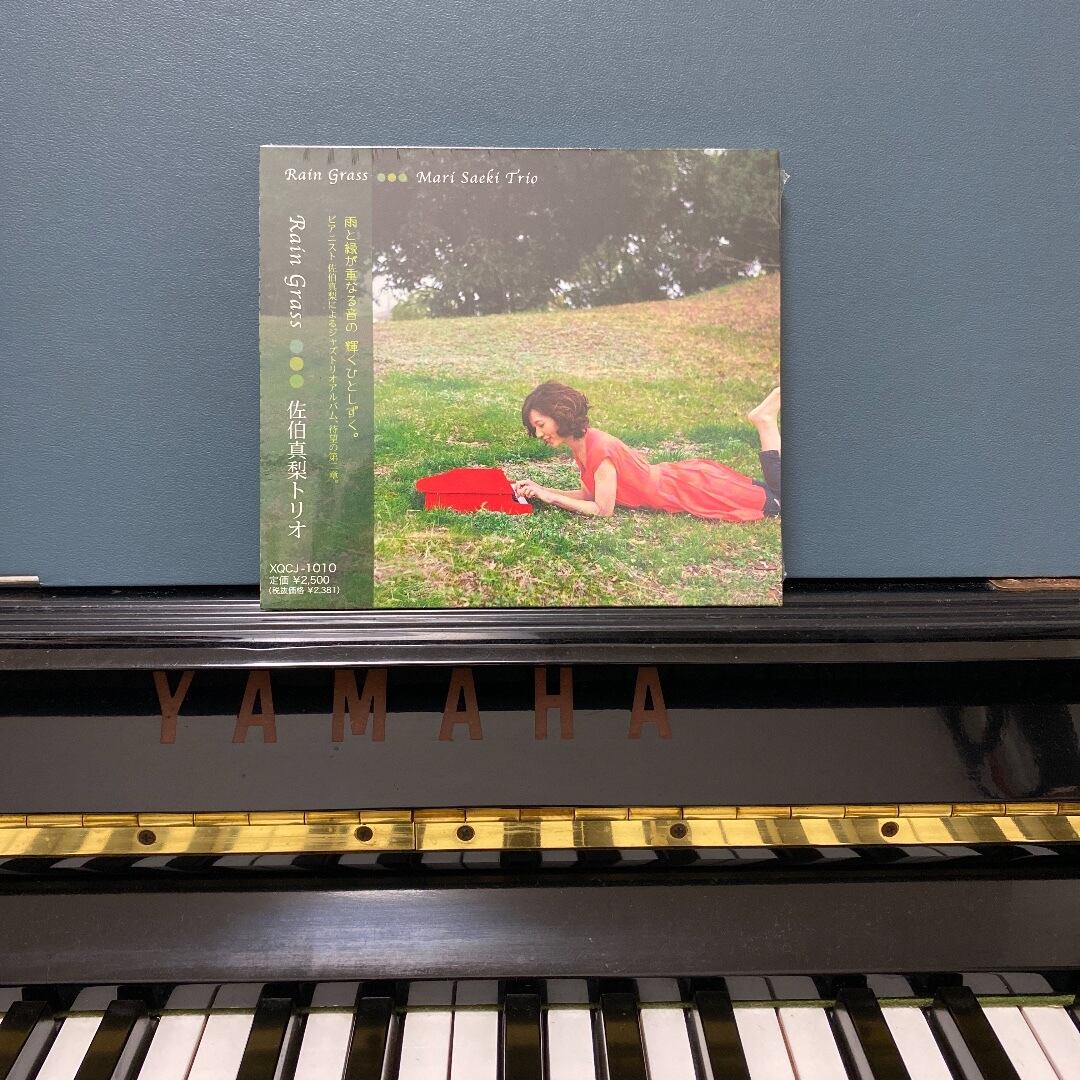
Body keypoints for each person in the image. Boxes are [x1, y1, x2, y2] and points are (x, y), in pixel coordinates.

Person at [512, 381, 781, 521]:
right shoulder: (582, 445)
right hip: (681, 481)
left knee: (782, 501)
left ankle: (765, 421)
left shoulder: (599, 449)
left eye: (540, 425)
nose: (539, 434)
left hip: (689, 489)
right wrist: (540, 489)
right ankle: (765, 421)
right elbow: (589, 494)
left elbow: (602, 509)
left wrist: (550, 497)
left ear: (560, 414)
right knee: (779, 493)